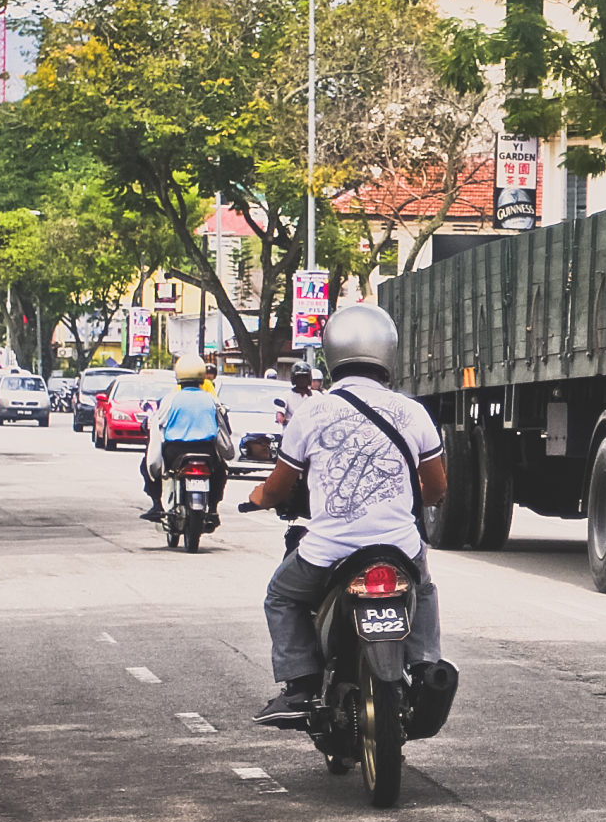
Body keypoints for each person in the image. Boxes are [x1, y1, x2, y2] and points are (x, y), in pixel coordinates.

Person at [248, 305, 449, 725]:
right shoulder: (412, 412)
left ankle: (300, 685)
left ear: (331, 353)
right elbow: (437, 488)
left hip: (330, 552)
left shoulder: (312, 413)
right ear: (387, 354)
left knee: (281, 596)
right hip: (399, 550)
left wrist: (260, 497)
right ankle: (426, 666)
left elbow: (280, 487)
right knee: (424, 588)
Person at [139, 355, 228, 522]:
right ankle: (214, 509)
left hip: (175, 452)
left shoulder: (170, 399)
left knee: (147, 466)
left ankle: (157, 505)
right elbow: (224, 425)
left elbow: (156, 422)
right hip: (207, 451)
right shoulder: (212, 400)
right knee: (220, 472)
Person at [277, 359, 317, 426]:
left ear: (309, 378)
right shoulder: (286, 396)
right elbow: (280, 412)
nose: (302, 380)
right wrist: (280, 417)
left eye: (305, 377)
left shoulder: (317, 396)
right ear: (294, 378)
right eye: (299, 377)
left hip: (312, 431)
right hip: (291, 431)